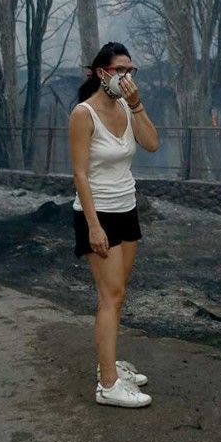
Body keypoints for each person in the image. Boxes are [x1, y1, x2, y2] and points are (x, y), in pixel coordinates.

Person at [69, 42, 159, 408]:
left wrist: (137, 104)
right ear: (102, 73)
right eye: (120, 70)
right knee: (110, 296)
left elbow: (152, 144)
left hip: (127, 208)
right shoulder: (83, 113)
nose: (127, 77)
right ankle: (108, 385)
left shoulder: (126, 104)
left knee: (118, 295)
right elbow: (79, 173)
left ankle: (110, 364)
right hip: (97, 213)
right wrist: (93, 226)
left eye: (131, 71)